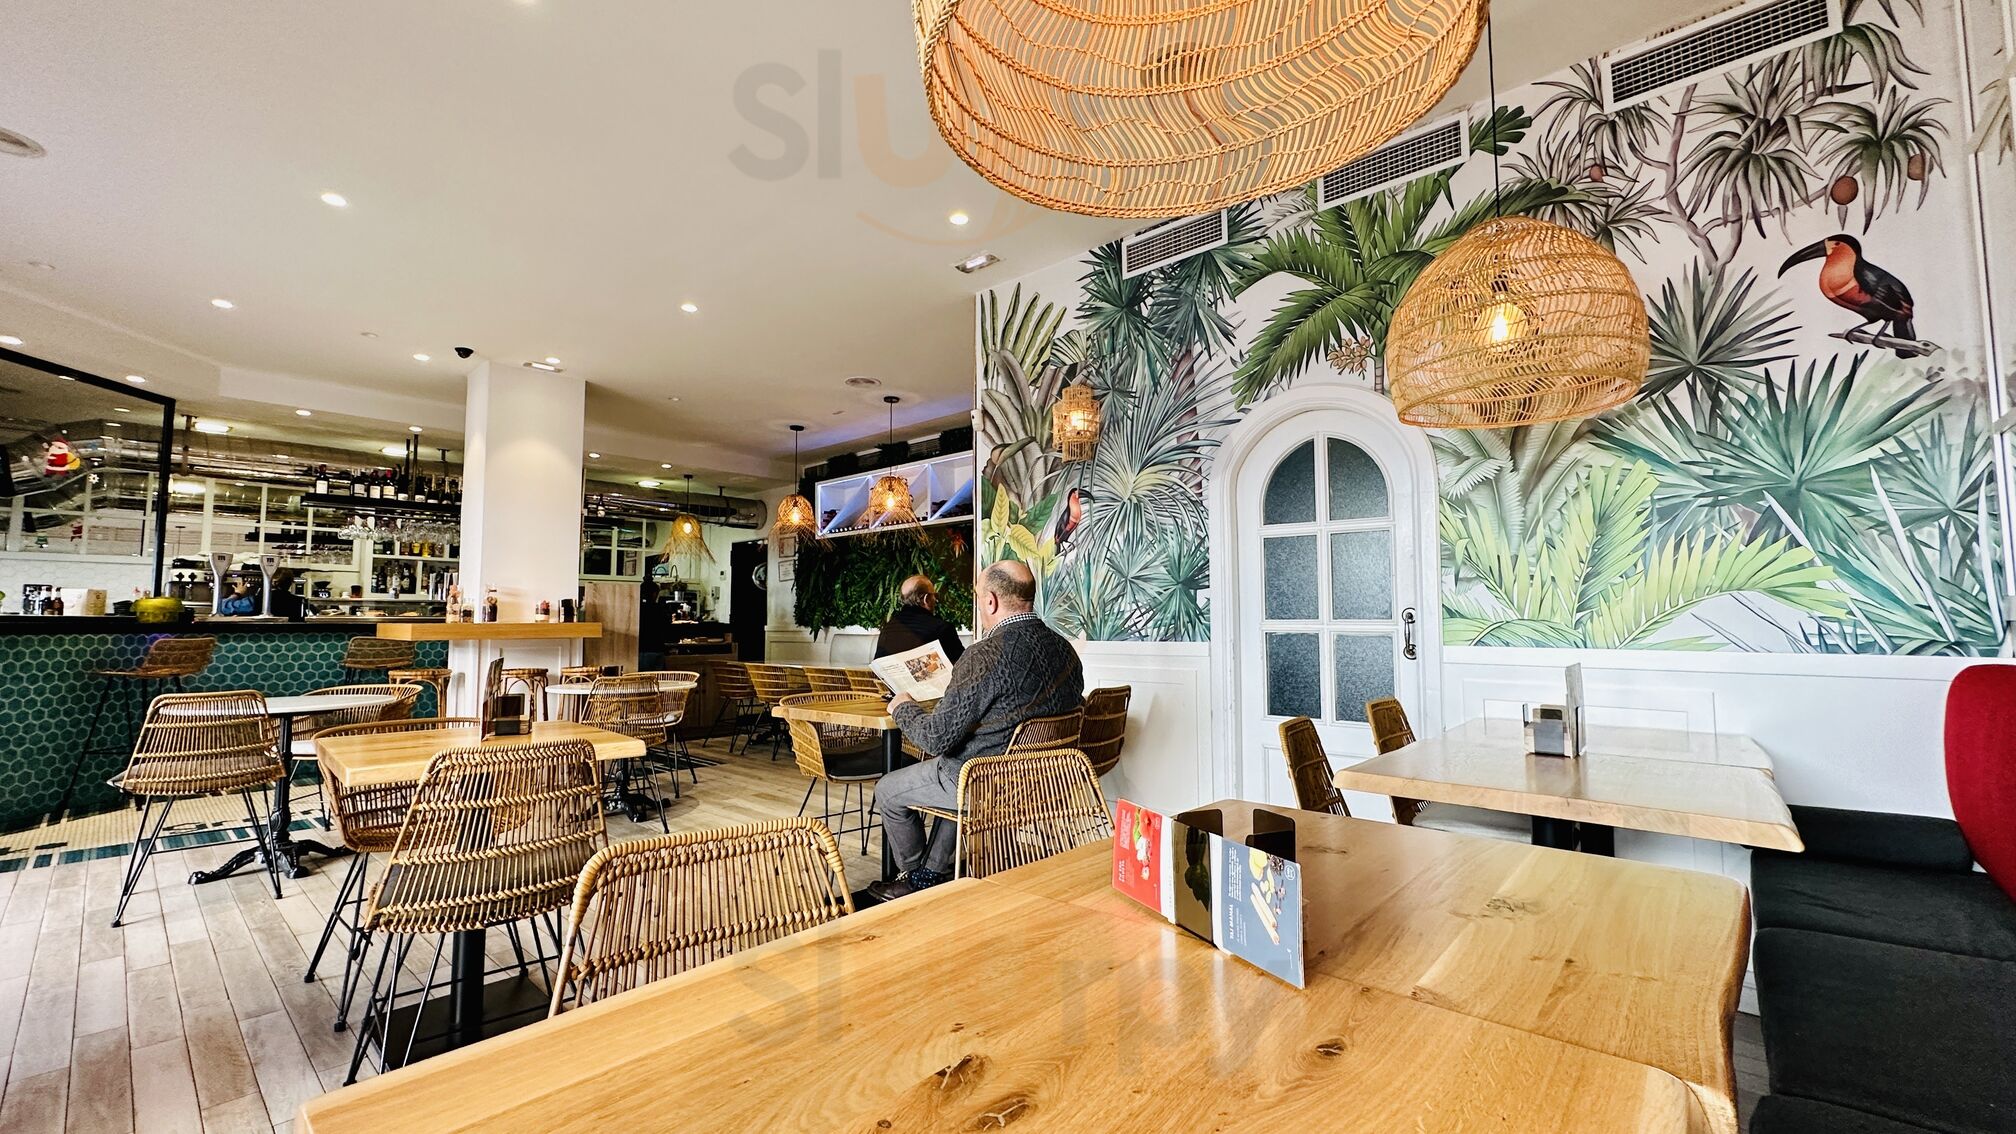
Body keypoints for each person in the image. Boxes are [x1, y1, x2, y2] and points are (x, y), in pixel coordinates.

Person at [867, 560, 1083, 902]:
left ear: (991, 601)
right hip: (1046, 778)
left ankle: (914, 881)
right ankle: (932, 873)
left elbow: (936, 738)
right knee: (964, 762)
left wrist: (903, 706)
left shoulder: (984, 656)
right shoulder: (1065, 649)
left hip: (985, 782)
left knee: (889, 790)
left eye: (979, 596)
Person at [874, 574, 964, 664]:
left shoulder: (887, 629)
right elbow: (964, 666)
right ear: (926, 599)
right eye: (935, 596)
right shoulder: (942, 629)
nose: (935, 600)